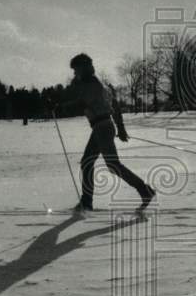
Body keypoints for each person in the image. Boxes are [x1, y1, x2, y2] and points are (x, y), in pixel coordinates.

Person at [60, 53, 155, 212]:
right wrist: (120, 128)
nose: (75, 73)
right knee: (88, 162)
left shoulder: (91, 85)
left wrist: (60, 106)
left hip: (102, 128)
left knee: (112, 165)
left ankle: (144, 191)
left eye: (76, 70)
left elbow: (81, 103)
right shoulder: (96, 83)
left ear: (83, 68)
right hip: (102, 127)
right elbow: (115, 106)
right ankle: (87, 202)